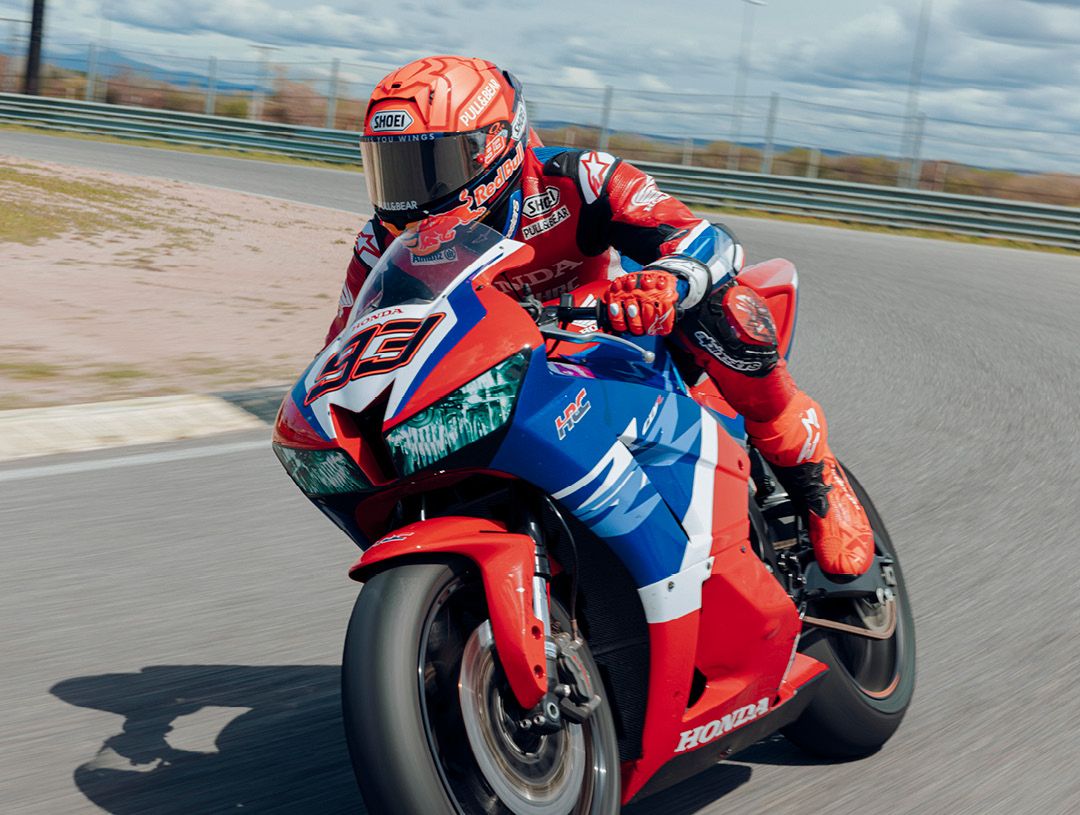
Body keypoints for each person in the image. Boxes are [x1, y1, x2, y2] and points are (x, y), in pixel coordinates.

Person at [326, 55, 873, 577]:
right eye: (391, 168)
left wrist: (668, 280)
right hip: (495, 368)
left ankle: (814, 476)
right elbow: (349, 338)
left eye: (427, 166)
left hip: (617, 336)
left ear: (491, 148)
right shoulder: (382, 242)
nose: (408, 194)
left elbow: (703, 238)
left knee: (727, 307)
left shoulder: (576, 177)